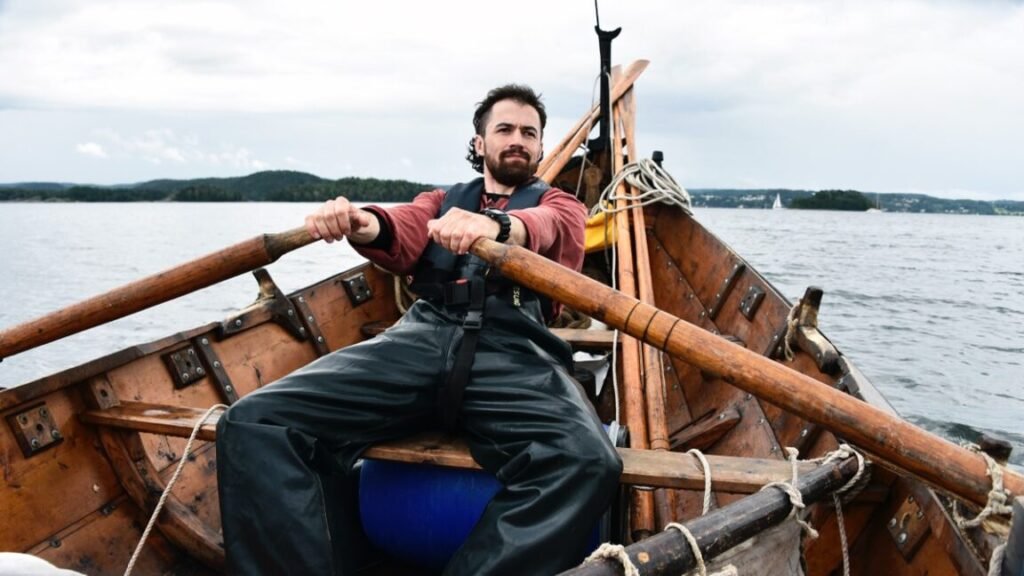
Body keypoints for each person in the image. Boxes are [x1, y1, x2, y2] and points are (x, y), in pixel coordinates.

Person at [216, 84, 622, 575]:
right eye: (505, 129)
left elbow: (545, 226)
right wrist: (357, 220)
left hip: (513, 350)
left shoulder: (561, 204)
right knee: (255, 422)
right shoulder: (441, 201)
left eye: (529, 133)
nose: (518, 139)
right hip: (422, 337)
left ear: (539, 148)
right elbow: (400, 227)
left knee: (587, 463)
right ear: (479, 143)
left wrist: (497, 227)